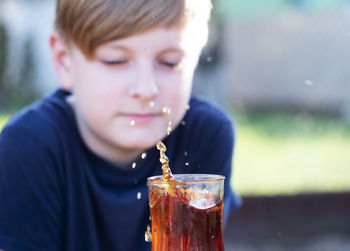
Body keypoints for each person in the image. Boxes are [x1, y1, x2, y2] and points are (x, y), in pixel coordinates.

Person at [0, 0, 241, 250]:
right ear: (64, 62)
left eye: (170, 62)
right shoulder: (29, 147)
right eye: (115, 60)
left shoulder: (205, 135)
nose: (147, 89)